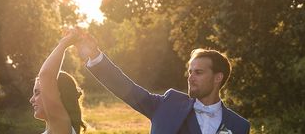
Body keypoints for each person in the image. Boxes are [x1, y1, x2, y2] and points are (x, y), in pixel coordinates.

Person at [76, 32, 250, 134]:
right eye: (190, 72)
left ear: (218, 77)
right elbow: (127, 89)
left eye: (198, 72)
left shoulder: (239, 126)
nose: (190, 77)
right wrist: (95, 56)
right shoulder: (169, 104)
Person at [30, 31, 86, 134]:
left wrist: (64, 43)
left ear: (56, 95)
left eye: (37, 93)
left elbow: (46, 75)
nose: (31, 100)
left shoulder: (62, 129)